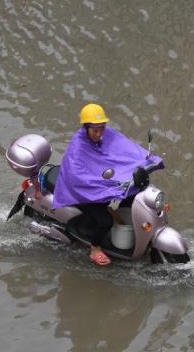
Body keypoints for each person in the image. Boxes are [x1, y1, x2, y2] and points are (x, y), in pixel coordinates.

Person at [52, 103, 164, 266]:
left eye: (102, 128)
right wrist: (109, 186)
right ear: (86, 127)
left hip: (102, 187)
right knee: (105, 221)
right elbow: (79, 177)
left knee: (133, 195)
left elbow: (126, 150)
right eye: (94, 130)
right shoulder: (78, 148)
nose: (99, 133)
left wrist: (146, 159)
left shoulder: (106, 135)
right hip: (83, 193)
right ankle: (95, 248)